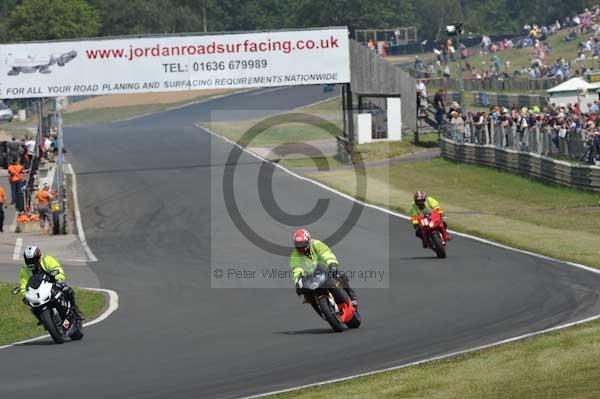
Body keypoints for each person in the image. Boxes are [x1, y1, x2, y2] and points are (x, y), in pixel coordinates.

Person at [289, 229, 357, 306]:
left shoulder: (317, 244)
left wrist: (332, 264)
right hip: (309, 276)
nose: (301, 249)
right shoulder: (295, 254)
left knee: (337, 276)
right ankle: (317, 305)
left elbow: (326, 254)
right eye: (298, 247)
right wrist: (297, 281)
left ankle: (351, 295)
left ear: (308, 241)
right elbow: (296, 268)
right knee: (305, 292)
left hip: (324, 269)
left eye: (302, 246)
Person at [19, 246, 85, 320]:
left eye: (33, 260)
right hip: (38, 290)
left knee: (68, 290)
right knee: (32, 306)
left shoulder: (46, 260)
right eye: (28, 261)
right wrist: (25, 294)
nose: (31, 263)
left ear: (38, 258)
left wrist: (59, 278)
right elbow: (24, 282)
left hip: (52, 283)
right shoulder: (24, 270)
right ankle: (44, 320)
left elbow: (56, 268)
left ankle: (74, 309)